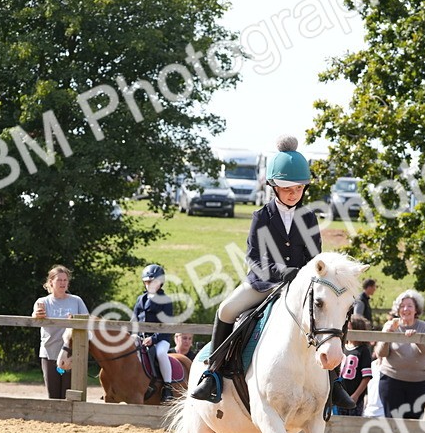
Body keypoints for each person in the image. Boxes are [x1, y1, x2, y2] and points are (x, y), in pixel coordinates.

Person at [190, 135, 355, 410]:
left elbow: (315, 259)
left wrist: (302, 275)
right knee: (226, 310)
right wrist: (282, 272)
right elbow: (254, 258)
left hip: (300, 288)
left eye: (299, 188)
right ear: (273, 187)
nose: (293, 194)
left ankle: (334, 382)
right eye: (287, 188)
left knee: (329, 318)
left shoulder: (309, 218)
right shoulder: (261, 217)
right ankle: (213, 374)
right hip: (263, 284)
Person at [373, 290, 425, 418]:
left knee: (413, 425)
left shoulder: (424, 326)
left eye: (410, 306)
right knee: (393, 423)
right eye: (402, 306)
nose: (405, 309)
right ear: (397, 309)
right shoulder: (390, 325)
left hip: (418, 382)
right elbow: (381, 353)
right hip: (391, 382)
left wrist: (416, 339)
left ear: (416, 309)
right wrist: (387, 336)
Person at [33, 265, 89, 400]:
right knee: (53, 394)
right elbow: (34, 318)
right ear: (51, 282)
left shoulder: (76, 300)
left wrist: (75, 321)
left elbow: (87, 322)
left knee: (69, 392)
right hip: (50, 352)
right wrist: (37, 316)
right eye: (59, 280)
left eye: (65, 280)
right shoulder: (43, 302)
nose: (63, 283)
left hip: (71, 354)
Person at [134, 264, 176, 403]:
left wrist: (153, 339)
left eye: (153, 282)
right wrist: (133, 334)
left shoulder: (166, 301)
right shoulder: (141, 299)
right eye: (147, 282)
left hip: (161, 338)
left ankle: (167, 387)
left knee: (161, 353)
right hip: (141, 337)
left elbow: (166, 325)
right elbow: (134, 319)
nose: (149, 285)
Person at [337, 316, 374, 416]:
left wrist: (356, 395)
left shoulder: (363, 351)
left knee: (352, 426)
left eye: (349, 329)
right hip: (339, 395)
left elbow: (366, 377)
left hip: (354, 397)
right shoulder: (341, 347)